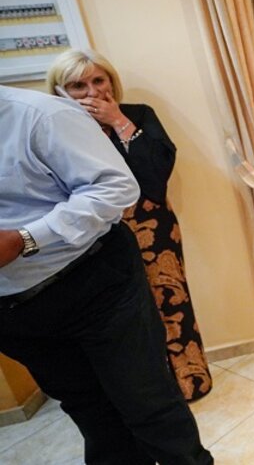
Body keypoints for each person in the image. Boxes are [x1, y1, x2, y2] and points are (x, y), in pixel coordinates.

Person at [0, 84, 212, 464]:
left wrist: (26, 238)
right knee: (91, 415)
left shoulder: (42, 116)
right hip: (15, 313)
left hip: (94, 283)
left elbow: (117, 186)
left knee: (149, 404)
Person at [46, 49, 212, 401]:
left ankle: (191, 381)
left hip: (153, 228)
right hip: (96, 237)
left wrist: (118, 121)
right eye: (77, 86)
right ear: (60, 91)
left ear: (111, 81)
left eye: (98, 80)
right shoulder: (55, 130)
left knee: (171, 302)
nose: (92, 92)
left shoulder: (138, 115)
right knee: (123, 317)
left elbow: (156, 175)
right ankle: (147, 395)